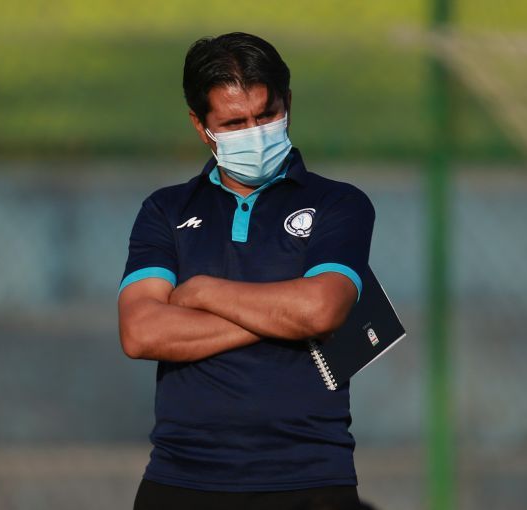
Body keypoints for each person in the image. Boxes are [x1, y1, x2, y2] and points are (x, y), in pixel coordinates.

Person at [117, 32, 375, 510]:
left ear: (287, 103)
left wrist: (202, 291)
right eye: (235, 123)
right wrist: (282, 315)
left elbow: (321, 309)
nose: (255, 133)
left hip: (311, 480)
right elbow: (140, 331)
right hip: (180, 478)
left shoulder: (339, 203)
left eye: (267, 115)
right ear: (201, 127)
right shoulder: (165, 210)